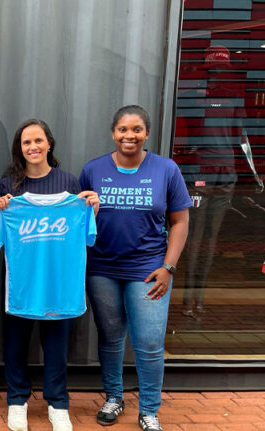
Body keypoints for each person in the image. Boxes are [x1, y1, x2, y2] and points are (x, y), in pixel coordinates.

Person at [79, 105, 191, 431]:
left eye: (136, 130)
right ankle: (114, 397)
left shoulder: (166, 170)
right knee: (111, 338)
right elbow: (79, 219)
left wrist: (168, 267)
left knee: (150, 343)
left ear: (147, 134)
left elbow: (181, 221)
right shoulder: (93, 170)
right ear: (113, 133)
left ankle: (149, 410)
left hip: (149, 269)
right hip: (102, 268)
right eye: (123, 130)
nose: (129, 136)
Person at [0, 119, 98, 431]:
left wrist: (92, 208)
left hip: (59, 284)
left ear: (49, 143)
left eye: (38, 140)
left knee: (56, 344)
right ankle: (16, 400)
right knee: (15, 343)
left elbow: (87, 233)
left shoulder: (70, 183)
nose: (33, 147)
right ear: (20, 148)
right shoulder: (9, 185)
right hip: (21, 284)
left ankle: (58, 403)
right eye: (26, 142)